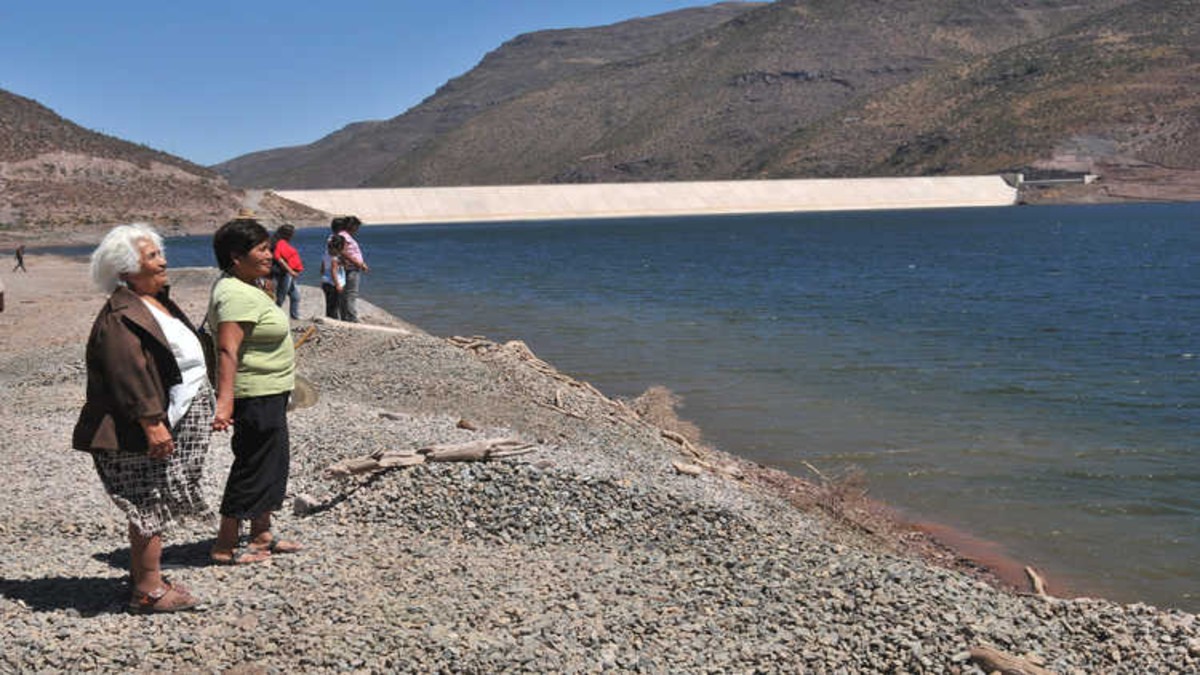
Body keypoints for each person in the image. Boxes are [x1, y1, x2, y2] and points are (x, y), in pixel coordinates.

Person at [72, 224, 211, 613]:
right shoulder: (121, 315)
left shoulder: (152, 300)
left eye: (159, 253)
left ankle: (145, 577)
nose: (163, 261)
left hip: (158, 422)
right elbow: (127, 372)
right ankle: (148, 592)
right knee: (148, 503)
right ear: (126, 271)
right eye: (152, 257)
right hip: (135, 430)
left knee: (153, 501)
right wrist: (152, 423)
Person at [208, 215, 302, 565]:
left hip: (270, 390)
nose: (269, 254)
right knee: (253, 464)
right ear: (237, 256)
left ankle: (261, 533)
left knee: (272, 461)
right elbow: (227, 350)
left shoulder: (247, 286)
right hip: (255, 393)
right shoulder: (235, 294)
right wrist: (225, 402)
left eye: (268, 247)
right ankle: (224, 544)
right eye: (261, 249)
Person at [332, 216, 368, 322]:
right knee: (351, 293)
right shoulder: (345, 237)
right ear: (352, 226)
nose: (357, 230)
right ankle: (351, 318)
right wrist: (359, 263)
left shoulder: (343, 236)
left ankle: (346, 317)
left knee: (346, 294)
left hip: (350, 266)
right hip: (351, 267)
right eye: (357, 227)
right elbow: (343, 251)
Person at [271, 224, 303, 320]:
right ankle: (274, 317)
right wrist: (290, 271)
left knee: (295, 296)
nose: (293, 236)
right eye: (292, 233)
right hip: (283, 274)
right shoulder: (279, 243)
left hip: (286, 273)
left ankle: (295, 316)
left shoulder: (280, 242)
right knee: (280, 297)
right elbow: (278, 258)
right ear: (287, 234)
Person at [320, 234, 347, 320]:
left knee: (329, 304)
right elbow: (333, 271)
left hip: (326, 282)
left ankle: (329, 318)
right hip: (333, 284)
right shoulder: (334, 258)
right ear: (339, 248)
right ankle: (333, 320)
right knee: (335, 305)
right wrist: (338, 285)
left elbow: (322, 267)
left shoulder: (326, 254)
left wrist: (323, 275)